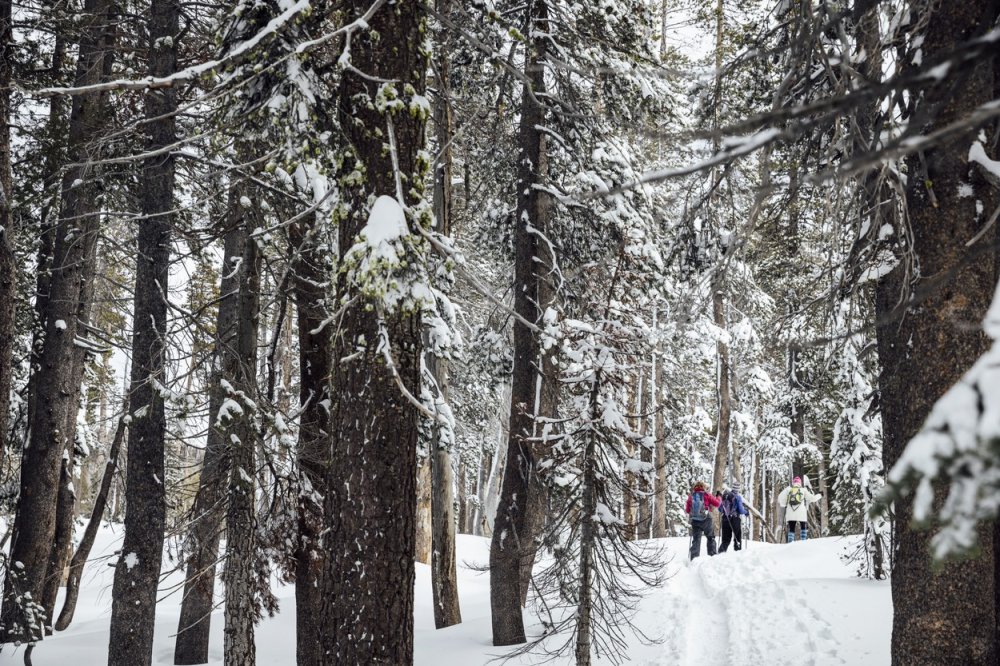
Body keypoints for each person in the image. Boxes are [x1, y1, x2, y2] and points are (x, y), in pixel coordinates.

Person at [777, 476, 821, 542]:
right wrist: (820, 495)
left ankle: (790, 543)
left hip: (790, 512)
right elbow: (812, 498)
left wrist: (784, 504)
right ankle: (803, 541)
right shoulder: (803, 490)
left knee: (791, 528)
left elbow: (780, 499)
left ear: (793, 483)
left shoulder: (788, 490)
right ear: (800, 483)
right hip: (801, 513)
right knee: (803, 526)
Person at [685, 481, 721, 560]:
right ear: (703, 487)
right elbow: (718, 504)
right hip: (706, 520)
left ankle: (694, 559)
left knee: (696, 540)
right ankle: (712, 557)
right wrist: (718, 497)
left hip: (695, 521)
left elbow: (687, 510)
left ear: (695, 487)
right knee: (710, 538)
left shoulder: (691, 496)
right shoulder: (707, 495)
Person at [719, 483, 749, 552]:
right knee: (737, 538)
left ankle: (720, 554)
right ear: (738, 489)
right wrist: (746, 512)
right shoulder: (738, 497)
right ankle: (737, 554)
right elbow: (741, 510)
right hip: (735, 519)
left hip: (725, 519)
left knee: (725, 540)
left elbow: (720, 509)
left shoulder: (725, 496)